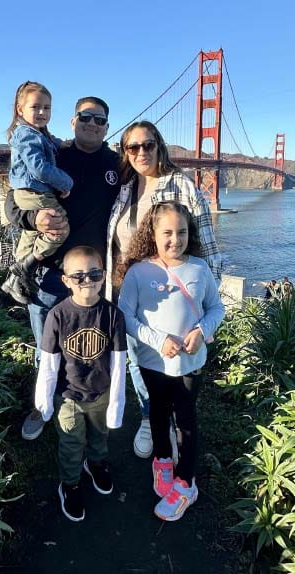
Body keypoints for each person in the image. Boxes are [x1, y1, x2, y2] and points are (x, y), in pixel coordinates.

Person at [4, 96, 121, 441]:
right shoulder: (55, 155)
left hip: (94, 279)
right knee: (46, 347)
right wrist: (31, 217)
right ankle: (42, 408)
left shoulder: (118, 163)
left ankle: (88, 404)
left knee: (92, 347)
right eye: (85, 117)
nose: (92, 123)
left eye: (99, 119)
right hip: (52, 272)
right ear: (73, 122)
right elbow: (13, 200)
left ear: (106, 127)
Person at [105, 120, 222, 460]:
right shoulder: (125, 188)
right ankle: (149, 416)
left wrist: (206, 320)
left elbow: (208, 249)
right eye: (133, 147)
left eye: (148, 145)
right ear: (125, 153)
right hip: (128, 289)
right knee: (139, 358)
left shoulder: (183, 186)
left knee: (175, 368)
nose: (141, 152)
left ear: (160, 146)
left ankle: (172, 422)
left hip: (172, 296)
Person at [117, 202, 225, 521]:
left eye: (182, 232)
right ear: (152, 233)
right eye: (167, 232)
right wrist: (157, 340)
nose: (174, 240)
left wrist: (201, 331)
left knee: (186, 422)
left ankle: (185, 483)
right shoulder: (139, 272)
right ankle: (162, 459)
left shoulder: (199, 269)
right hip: (153, 363)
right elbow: (125, 315)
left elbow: (216, 309)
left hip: (190, 364)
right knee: (159, 414)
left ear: (190, 234)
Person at [34, 246, 127, 522]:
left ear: (104, 276)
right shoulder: (57, 315)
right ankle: (70, 484)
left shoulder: (113, 315)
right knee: (71, 443)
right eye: (78, 276)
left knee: (100, 436)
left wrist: (116, 405)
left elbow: (119, 363)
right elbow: (48, 364)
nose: (87, 281)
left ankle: (96, 464)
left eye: (94, 273)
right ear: (65, 281)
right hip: (69, 396)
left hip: (101, 393)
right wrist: (45, 403)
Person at [1, 82, 73, 305]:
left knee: (32, 234)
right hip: (35, 191)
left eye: (47, 107)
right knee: (59, 229)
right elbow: (39, 168)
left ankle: (14, 278)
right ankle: (24, 268)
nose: (42, 112)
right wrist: (66, 182)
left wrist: (67, 144)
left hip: (29, 191)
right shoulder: (26, 134)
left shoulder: (36, 133)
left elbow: (52, 143)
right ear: (20, 110)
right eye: (35, 107)